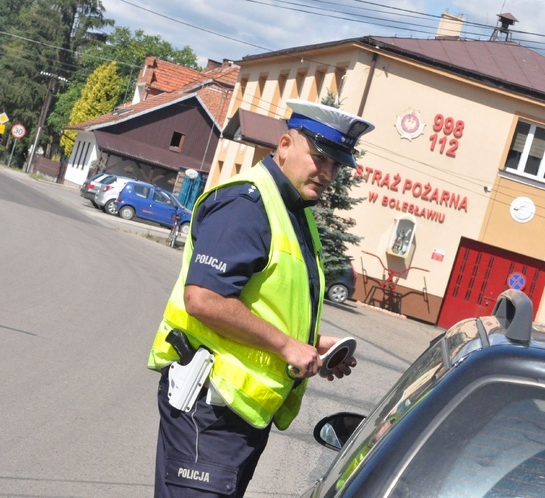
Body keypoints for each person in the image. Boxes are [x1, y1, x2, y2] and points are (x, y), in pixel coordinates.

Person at [147, 99, 376, 497]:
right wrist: (287, 345)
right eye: (320, 157)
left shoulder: (294, 210)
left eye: (337, 165)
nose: (328, 173)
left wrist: (311, 345)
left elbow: (261, 301)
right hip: (210, 410)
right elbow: (203, 298)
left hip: (236, 416)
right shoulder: (247, 204)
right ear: (285, 145)